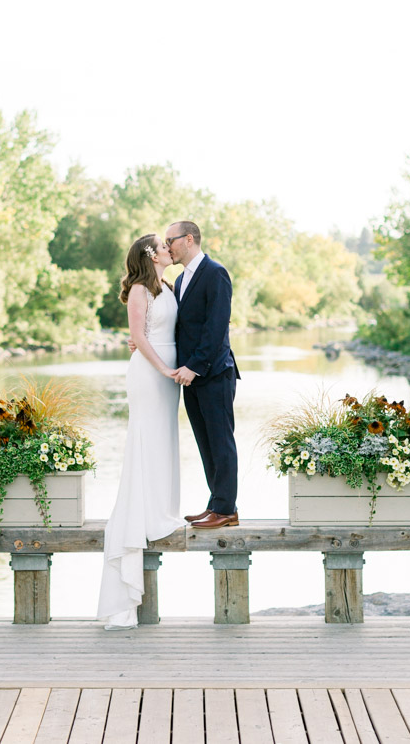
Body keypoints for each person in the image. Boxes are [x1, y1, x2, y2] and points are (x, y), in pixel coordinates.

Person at [96, 233, 185, 630]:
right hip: (150, 373)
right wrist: (162, 368)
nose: (170, 248)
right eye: (164, 246)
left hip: (168, 370)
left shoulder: (166, 286)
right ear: (151, 255)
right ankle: (144, 515)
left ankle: (160, 509)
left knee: (164, 438)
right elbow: (140, 337)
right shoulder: (138, 289)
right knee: (146, 437)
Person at [165, 220, 240, 530]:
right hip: (190, 377)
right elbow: (183, 328)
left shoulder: (216, 273)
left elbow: (216, 326)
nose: (167, 245)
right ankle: (216, 504)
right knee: (205, 443)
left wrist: (194, 366)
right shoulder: (181, 280)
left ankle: (226, 510)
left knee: (221, 442)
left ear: (189, 239)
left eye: (171, 240)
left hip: (214, 373)